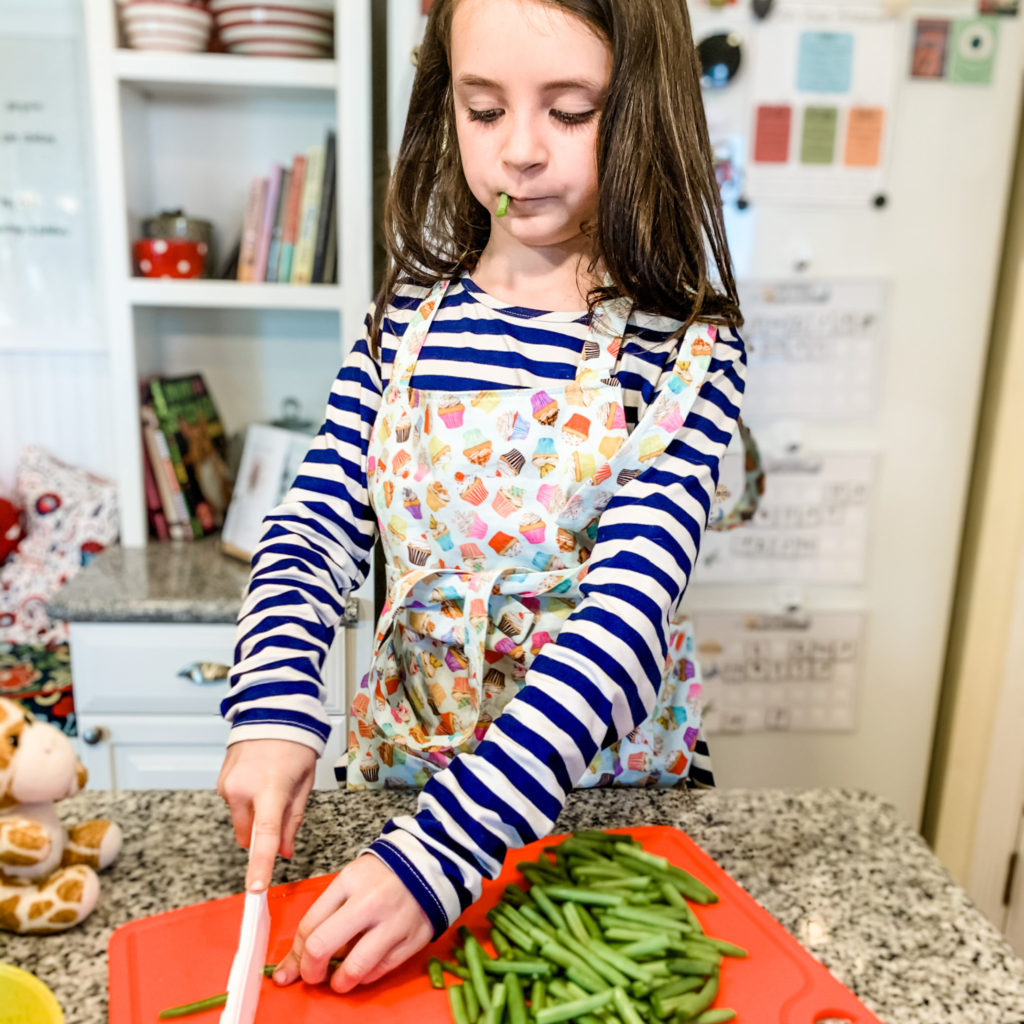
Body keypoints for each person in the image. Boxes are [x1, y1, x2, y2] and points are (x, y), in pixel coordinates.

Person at [216, 0, 747, 998]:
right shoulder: (403, 323)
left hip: (598, 807)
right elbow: (316, 525)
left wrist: (445, 853)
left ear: (643, 107)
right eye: (483, 107)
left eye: (571, 109)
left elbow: (627, 616)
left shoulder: (682, 349)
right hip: (400, 802)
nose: (521, 152)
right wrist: (275, 703)